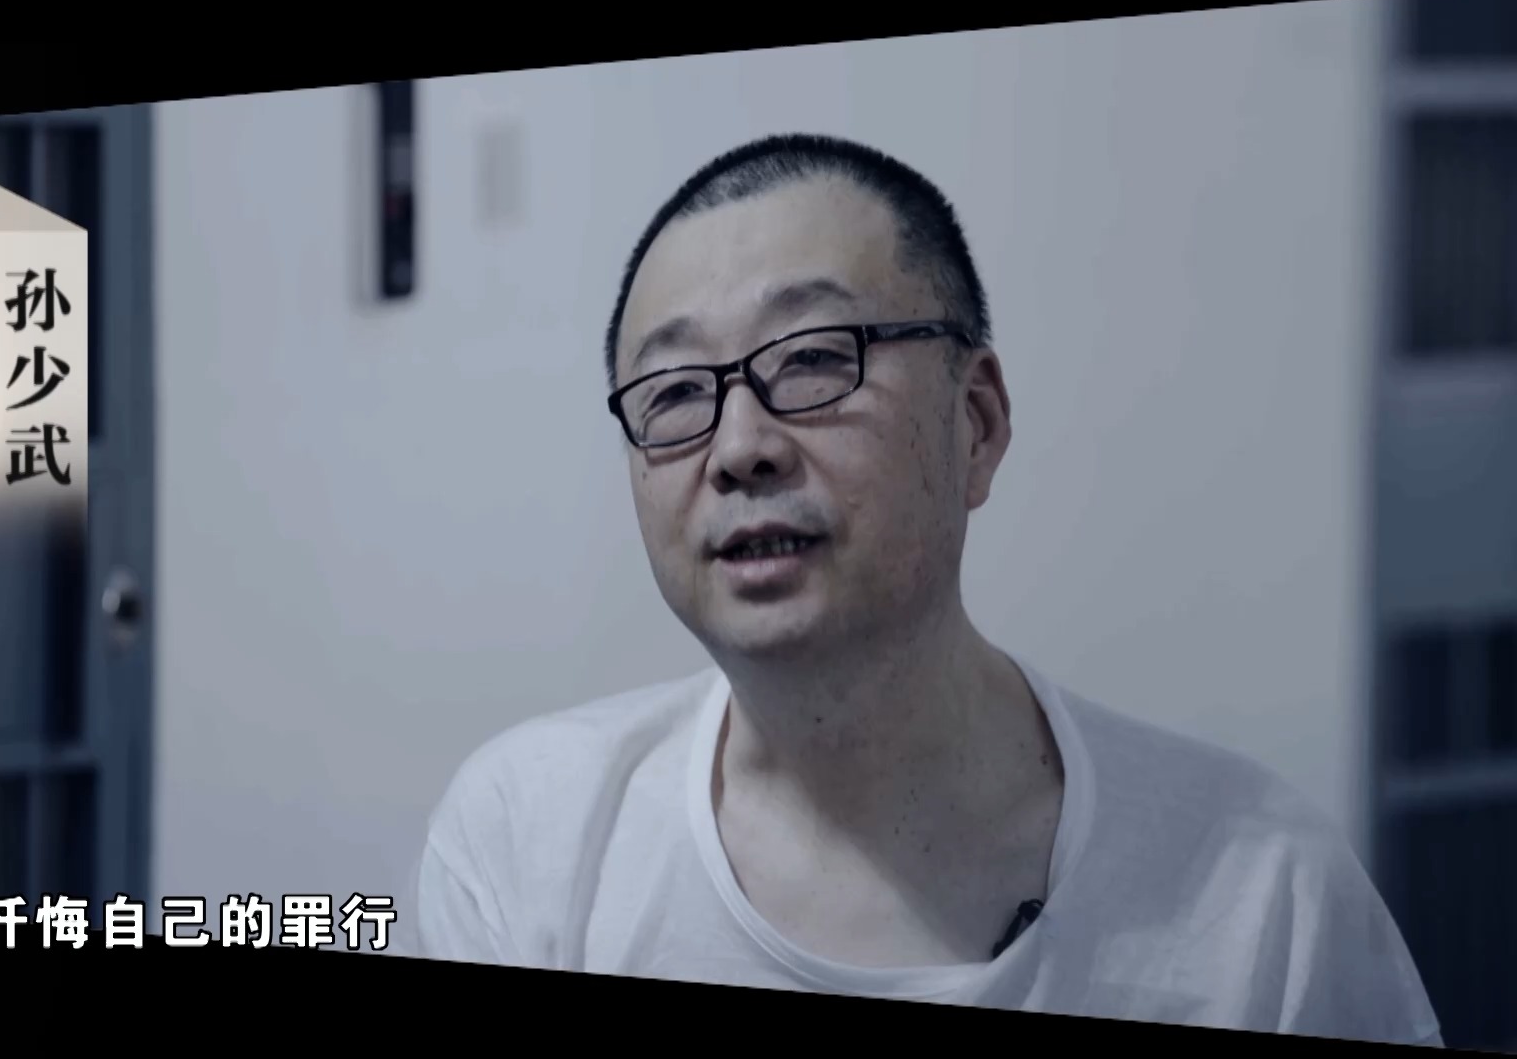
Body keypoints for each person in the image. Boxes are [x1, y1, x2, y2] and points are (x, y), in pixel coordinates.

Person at [401, 133, 1440, 1046]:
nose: (739, 446)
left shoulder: (1262, 900)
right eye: (673, 393)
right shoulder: (528, 841)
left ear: (976, 422)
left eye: (812, 359)